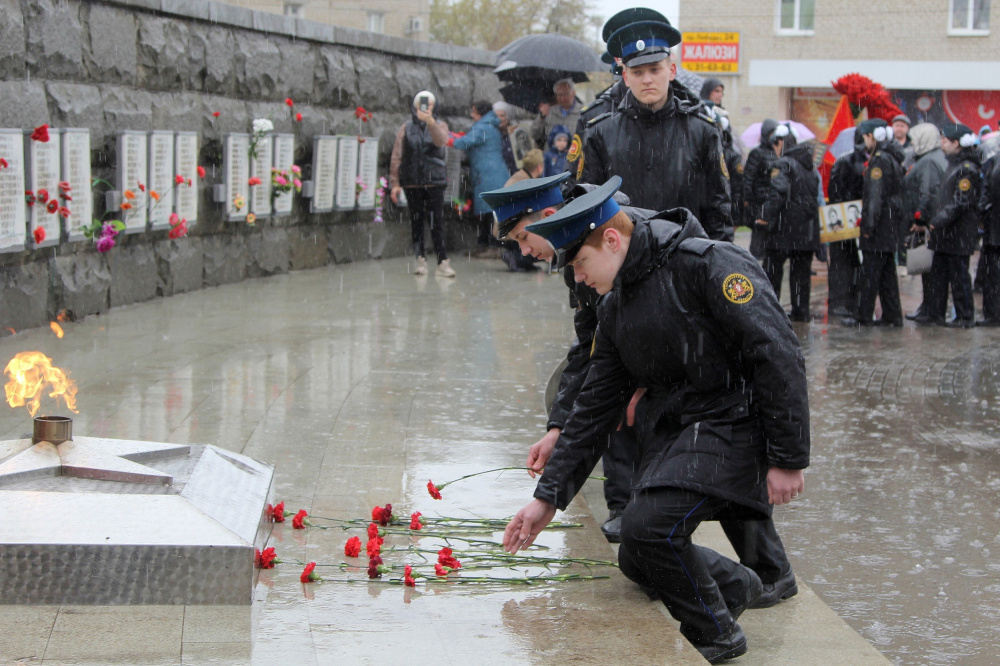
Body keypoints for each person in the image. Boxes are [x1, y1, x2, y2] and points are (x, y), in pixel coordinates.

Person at [506, 178, 810, 663]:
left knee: (649, 528)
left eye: (580, 264)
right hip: (686, 427)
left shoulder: (707, 265)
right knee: (636, 550)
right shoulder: (616, 305)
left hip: (741, 422)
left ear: (611, 240)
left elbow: (778, 354)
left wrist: (788, 458)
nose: (578, 279)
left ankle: (717, 635)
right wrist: (547, 500)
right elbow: (594, 407)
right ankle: (738, 586)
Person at [481, 174, 656, 540]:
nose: (525, 252)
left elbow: (662, 317)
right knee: (585, 388)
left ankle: (641, 507)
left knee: (617, 395)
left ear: (547, 214)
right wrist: (558, 428)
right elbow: (588, 344)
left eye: (524, 238)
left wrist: (644, 377)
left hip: (680, 360)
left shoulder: (609, 235)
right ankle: (624, 507)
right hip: (628, 354)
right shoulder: (571, 254)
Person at [581, 19, 732, 241]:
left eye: (654, 69)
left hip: (685, 258)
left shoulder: (702, 131)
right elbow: (587, 207)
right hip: (622, 261)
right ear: (626, 77)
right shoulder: (600, 133)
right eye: (638, 72)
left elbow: (718, 207)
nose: (647, 80)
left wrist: (720, 265)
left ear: (671, 71)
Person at [842, 120, 906, 327]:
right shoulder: (892, 158)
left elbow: (874, 198)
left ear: (873, 137)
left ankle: (862, 316)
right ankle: (892, 315)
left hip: (878, 228)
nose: (865, 142)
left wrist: (868, 227)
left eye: (866, 137)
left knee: (869, 274)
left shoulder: (879, 161)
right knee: (887, 275)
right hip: (889, 226)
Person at [919, 123, 982, 327]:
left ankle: (964, 316)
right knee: (939, 276)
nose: (942, 143)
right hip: (945, 234)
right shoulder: (953, 165)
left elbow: (961, 202)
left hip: (958, 233)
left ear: (957, 143)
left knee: (959, 277)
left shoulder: (966, 169)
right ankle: (935, 313)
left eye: (945, 140)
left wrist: (938, 221)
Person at [757, 125, 820, 322]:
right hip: (806, 229)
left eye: (775, 145)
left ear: (781, 143)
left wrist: (765, 215)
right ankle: (801, 312)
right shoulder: (809, 166)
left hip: (784, 228)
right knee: (801, 274)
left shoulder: (783, 163)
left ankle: (770, 313)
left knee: (772, 270)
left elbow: (778, 191)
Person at [389, 90, 455, 278]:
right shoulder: (406, 127)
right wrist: (395, 182)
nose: (425, 108)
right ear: (415, 107)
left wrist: (430, 122)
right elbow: (397, 155)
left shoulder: (440, 125)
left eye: (430, 105)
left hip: (434, 182)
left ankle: (442, 261)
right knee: (416, 222)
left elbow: (441, 141)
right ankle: (421, 260)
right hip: (412, 182)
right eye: (422, 105)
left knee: (437, 222)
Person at [450, 100, 511, 259]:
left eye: (473, 111)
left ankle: (492, 246)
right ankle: (485, 244)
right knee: (489, 212)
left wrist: (445, 137)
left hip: (489, 174)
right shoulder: (490, 125)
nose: (471, 115)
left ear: (480, 113)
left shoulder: (483, 127)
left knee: (489, 212)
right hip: (492, 173)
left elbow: (463, 142)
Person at [902, 123, 948, 321]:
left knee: (931, 270)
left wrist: (919, 218)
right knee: (932, 270)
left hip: (929, 224)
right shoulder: (932, 158)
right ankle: (929, 308)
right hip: (934, 222)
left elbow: (928, 192)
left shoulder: (929, 161)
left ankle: (931, 310)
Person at [827, 131, 867, 318]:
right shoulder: (846, 161)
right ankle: (840, 303)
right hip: (845, 218)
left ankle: (849, 301)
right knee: (842, 262)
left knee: (852, 262)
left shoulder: (865, 161)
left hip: (856, 216)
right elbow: (835, 190)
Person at [743, 119, 780, 259]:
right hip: (759, 200)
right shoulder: (757, 153)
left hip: (771, 200)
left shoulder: (777, 152)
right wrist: (747, 199)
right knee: (759, 236)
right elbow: (748, 177)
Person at [979, 144, 1000, 326]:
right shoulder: (994, 160)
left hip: (995, 226)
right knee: (992, 274)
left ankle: (993, 314)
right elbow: (986, 191)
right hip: (994, 227)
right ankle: (993, 314)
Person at [532, 79, 582, 150]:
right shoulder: (549, 111)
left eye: (566, 94)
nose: (563, 98)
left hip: (573, 158)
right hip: (551, 158)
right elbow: (534, 135)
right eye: (559, 95)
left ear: (573, 93)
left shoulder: (583, 112)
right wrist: (541, 117)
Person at [493, 101, 518, 174]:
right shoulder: (491, 134)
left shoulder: (515, 133)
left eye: (502, 115)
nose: (499, 119)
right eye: (496, 116)